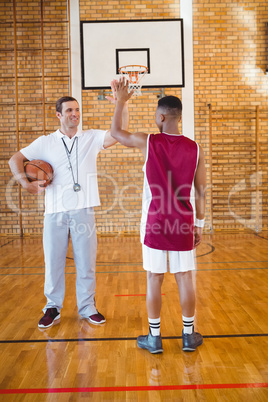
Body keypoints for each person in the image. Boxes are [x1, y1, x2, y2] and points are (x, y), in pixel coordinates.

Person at [9, 82, 129, 329]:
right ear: (59, 115)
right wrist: (25, 183)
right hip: (55, 211)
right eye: (69, 111)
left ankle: (87, 307)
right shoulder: (45, 142)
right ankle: (52, 308)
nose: (74, 114)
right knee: (53, 262)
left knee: (86, 262)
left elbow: (119, 132)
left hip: (84, 209)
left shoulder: (91, 137)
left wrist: (122, 103)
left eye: (77, 110)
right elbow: (15, 159)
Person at [111, 78, 206, 353]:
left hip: (155, 221)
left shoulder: (148, 141)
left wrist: (121, 100)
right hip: (183, 221)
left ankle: (154, 338)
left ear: (161, 117)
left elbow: (116, 132)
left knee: (154, 277)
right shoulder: (196, 148)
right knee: (185, 277)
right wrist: (198, 225)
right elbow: (200, 192)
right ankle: (188, 335)